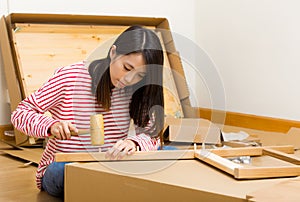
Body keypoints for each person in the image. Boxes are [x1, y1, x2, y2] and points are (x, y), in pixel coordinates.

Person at [11, 25, 165, 198]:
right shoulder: (70, 77)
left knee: (170, 154)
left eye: (139, 75)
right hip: (64, 167)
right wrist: (51, 126)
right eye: (127, 68)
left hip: (108, 166)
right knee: (65, 168)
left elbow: (151, 136)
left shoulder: (136, 89)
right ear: (113, 52)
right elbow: (20, 113)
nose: (128, 79)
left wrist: (134, 144)